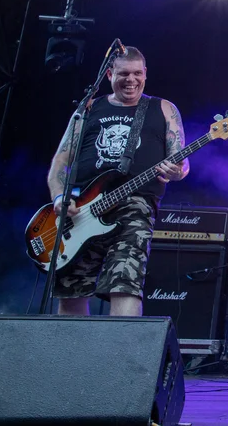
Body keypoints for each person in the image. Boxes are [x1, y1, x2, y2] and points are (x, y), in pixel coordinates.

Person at [47, 46, 188, 317]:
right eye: (124, 74)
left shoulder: (163, 108)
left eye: (137, 73)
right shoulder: (89, 108)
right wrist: (59, 196)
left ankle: (121, 346)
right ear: (110, 74)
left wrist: (176, 172)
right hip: (82, 209)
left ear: (145, 73)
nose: (131, 79)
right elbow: (60, 163)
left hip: (135, 205)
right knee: (71, 290)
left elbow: (181, 163)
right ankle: (69, 346)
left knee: (125, 283)